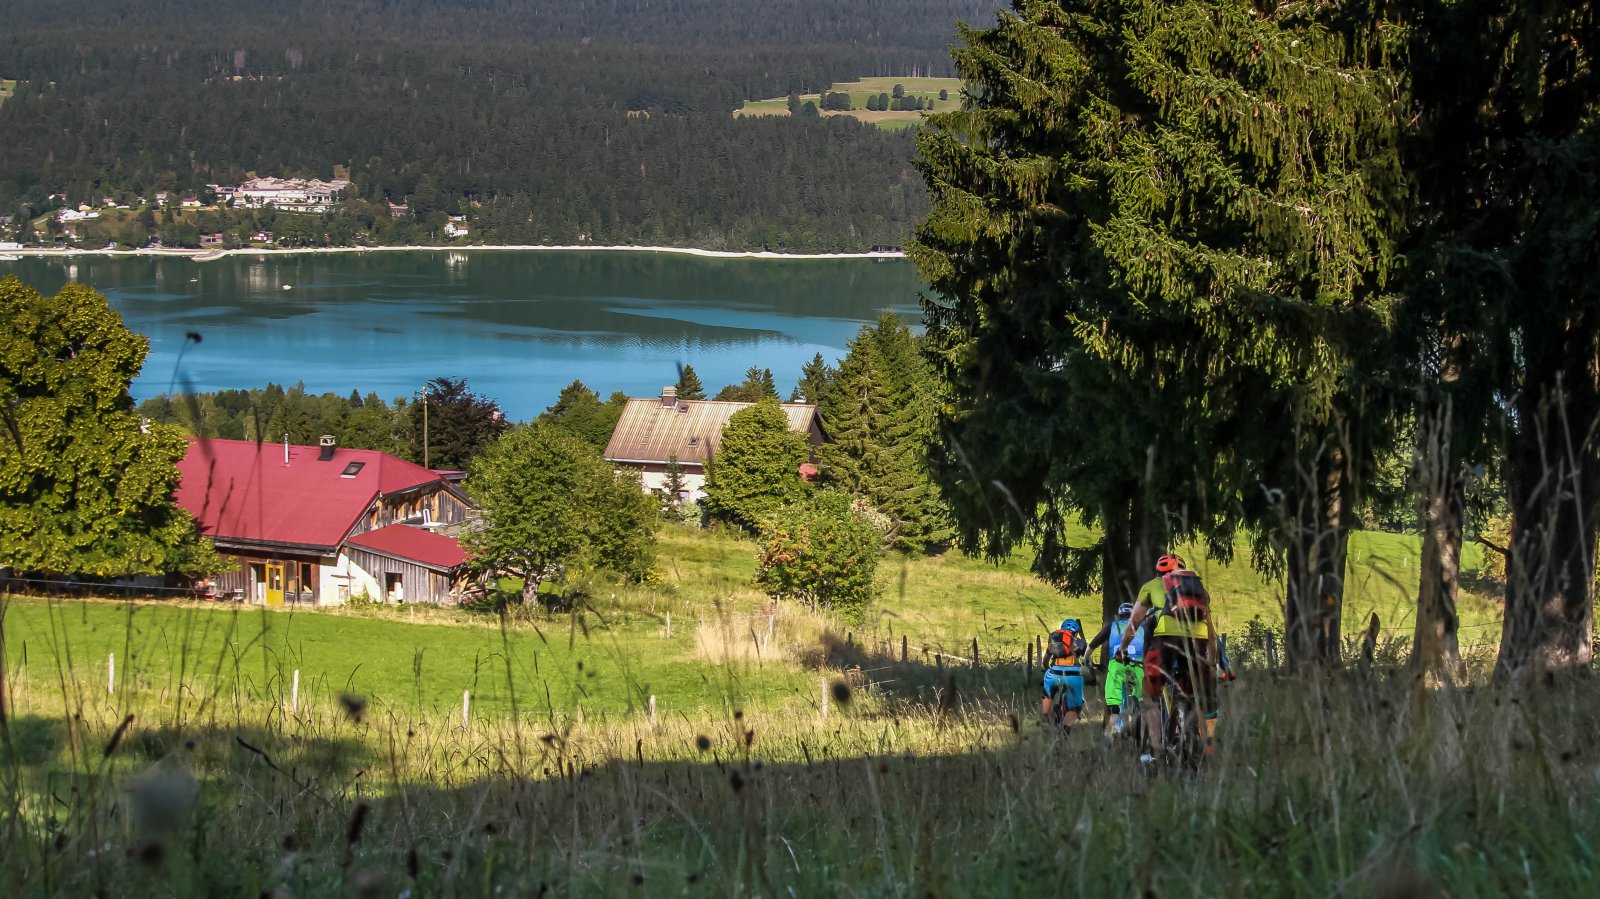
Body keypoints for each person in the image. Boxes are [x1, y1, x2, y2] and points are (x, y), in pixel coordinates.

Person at [1114, 553, 1221, 762]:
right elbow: (1210, 629)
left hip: (1167, 639)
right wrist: (1213, 660)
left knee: (1148, 695)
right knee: (1196, 693)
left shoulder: (1152, 585)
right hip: (1198, 641)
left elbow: (1133, 623)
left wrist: (1122, 648)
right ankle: (1204, 744)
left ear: (1158, 572)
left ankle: (1155, 749)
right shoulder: (1198, 587)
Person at [1088, 602, 1145, 738]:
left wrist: (1085, 659)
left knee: (1113, 707)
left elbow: (1093, 644)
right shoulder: (1142, 628)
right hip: (1137, 666)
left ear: (1119, 616)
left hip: (1117, 665)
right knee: (1139, 698)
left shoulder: (1112, 626)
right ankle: (1138, 733)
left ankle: (1111, 736)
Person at [1041, 618, 1088, 726]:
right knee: (1076, 707)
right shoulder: (1080, 643)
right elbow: (1087, 659)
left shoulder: (1055, 640)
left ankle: (1047, 718)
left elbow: (1045, 660)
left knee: (1047, 693)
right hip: (1073, 675)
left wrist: (1046, 669)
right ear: (1076, 633)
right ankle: (1065, 730)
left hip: (1054, 673)